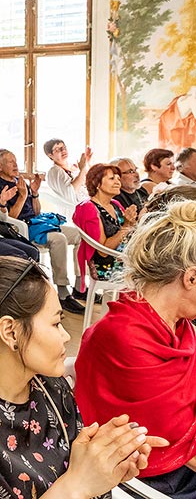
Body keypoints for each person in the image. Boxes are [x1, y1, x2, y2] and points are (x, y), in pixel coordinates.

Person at [0, 256, 167, 499]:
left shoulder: (51, 386)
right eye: (56, 323)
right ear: (10, 332)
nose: (66, 336)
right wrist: (77, 486)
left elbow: (78, 470)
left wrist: (108, 466)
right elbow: (75, 482)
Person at [76, 200, 196, 496]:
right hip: (157, 475)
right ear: (190, 278)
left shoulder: (178, 325)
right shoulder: (125, 337)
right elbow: (174, 441)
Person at [0, 149, 86, 314]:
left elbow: (36, 212)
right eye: (10, 162)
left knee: (80, 235)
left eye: (15, 160)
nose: (15, 164)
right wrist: (22, 196)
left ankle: (79, 286)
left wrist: (33, 193)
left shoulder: (20, 181)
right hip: (21, 229)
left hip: (37, 223)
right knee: (59, 239)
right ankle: (63, 292)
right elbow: (7, 220)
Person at [72, 163, 136, 290]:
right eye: (112, 178)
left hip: (124, 256)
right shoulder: (89, 208)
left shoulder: (115, 204)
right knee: (156, 270)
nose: (118, 182)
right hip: (107, 265)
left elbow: (129, 230)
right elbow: (102, 250)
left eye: (118, 178)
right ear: (97, 183)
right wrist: (127, 225)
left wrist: (134, 222)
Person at [44, 138, 92, 217]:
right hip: (73, 212)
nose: (63, 150)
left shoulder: (73, 166)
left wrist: (87, 163)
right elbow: (70, 192)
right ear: (50, 155)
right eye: (57, 149)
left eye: (64, 147)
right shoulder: (54, 171)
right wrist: (82, 169)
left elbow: (87, 181)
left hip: (87, 205)